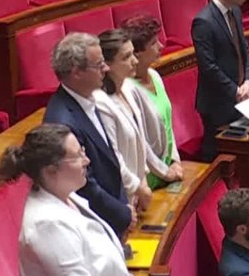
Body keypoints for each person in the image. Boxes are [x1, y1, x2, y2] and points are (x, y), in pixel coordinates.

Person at [0, 124, 138, 276]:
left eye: (83, 151)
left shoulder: (66, 197)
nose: (86, 161)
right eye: (77, 156)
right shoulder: (47, 223)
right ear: (51, 170)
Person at [43, 32, 132, 238]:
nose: (106, 68)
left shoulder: (87, 99)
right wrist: (122, 214)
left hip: (113, 218)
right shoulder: (62, 121)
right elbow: (83, 184)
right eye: (99, 64)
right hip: (95, 227)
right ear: (76, 72)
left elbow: (109, 160)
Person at [192, 0, 249, 160]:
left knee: (244, 150)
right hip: (217, 102)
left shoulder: (234, 11)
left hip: (240, 95)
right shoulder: (203, 21)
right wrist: (234, 89)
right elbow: (208, 66)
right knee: (218, 156)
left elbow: (244, 49)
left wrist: (248, 80)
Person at [93, 29, 154, 215]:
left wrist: (143, 179)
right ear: (107, 65)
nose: (135, 61)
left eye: (134, 53)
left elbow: (140, 139)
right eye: (126, 57)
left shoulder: (128, 87)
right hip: (120, 196)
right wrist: (137, 187)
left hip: (138, 192)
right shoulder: (100, 101)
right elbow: (113, 155)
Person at [119, 15, 184, 189]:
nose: (161, 46)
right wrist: (165, 171)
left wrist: (174, 161)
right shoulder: (127, 89)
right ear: (137, 51)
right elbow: (140, 142)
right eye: (154, 43)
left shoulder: (155, 75)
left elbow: (168, 126)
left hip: (169, 169)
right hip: (149, 177)